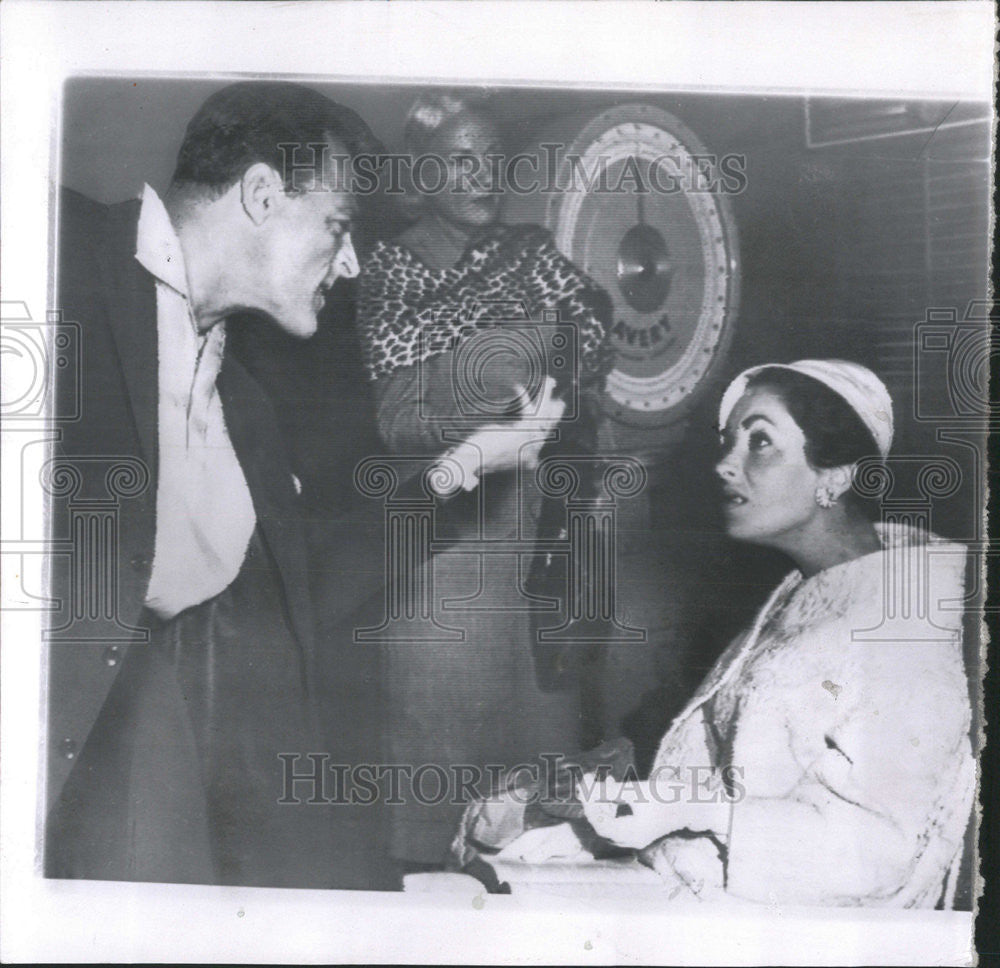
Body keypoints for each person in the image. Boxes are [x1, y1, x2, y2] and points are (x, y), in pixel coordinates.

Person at [44, 81, 563, 890]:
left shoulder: (244, 405)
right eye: (338, 226)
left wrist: (471, 464)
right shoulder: (55, 248)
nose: (350, 262)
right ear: (259, 194)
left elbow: (300, 584)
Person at [452, 360, 975, 908]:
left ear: (836, 475)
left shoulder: (903, 629)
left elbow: (875, 855)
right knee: (480, 869)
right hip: (698, 887)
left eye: (761, 442)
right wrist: (607, 798)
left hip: (786, 932)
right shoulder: (810, 589)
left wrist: (694, 810)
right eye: (728, 441)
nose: (725, 464)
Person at [356, 90, 614, 868]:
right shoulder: (389, 268)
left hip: (548, 550)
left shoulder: (532, 249)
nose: (484, 175)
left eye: (495, 159)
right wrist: (527, 348)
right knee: (438, 815)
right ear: (419, 174)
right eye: (462, 159)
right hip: (446, 561)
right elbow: (400, 419)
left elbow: (596, 331)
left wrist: (477, 364)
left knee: (542, 810)